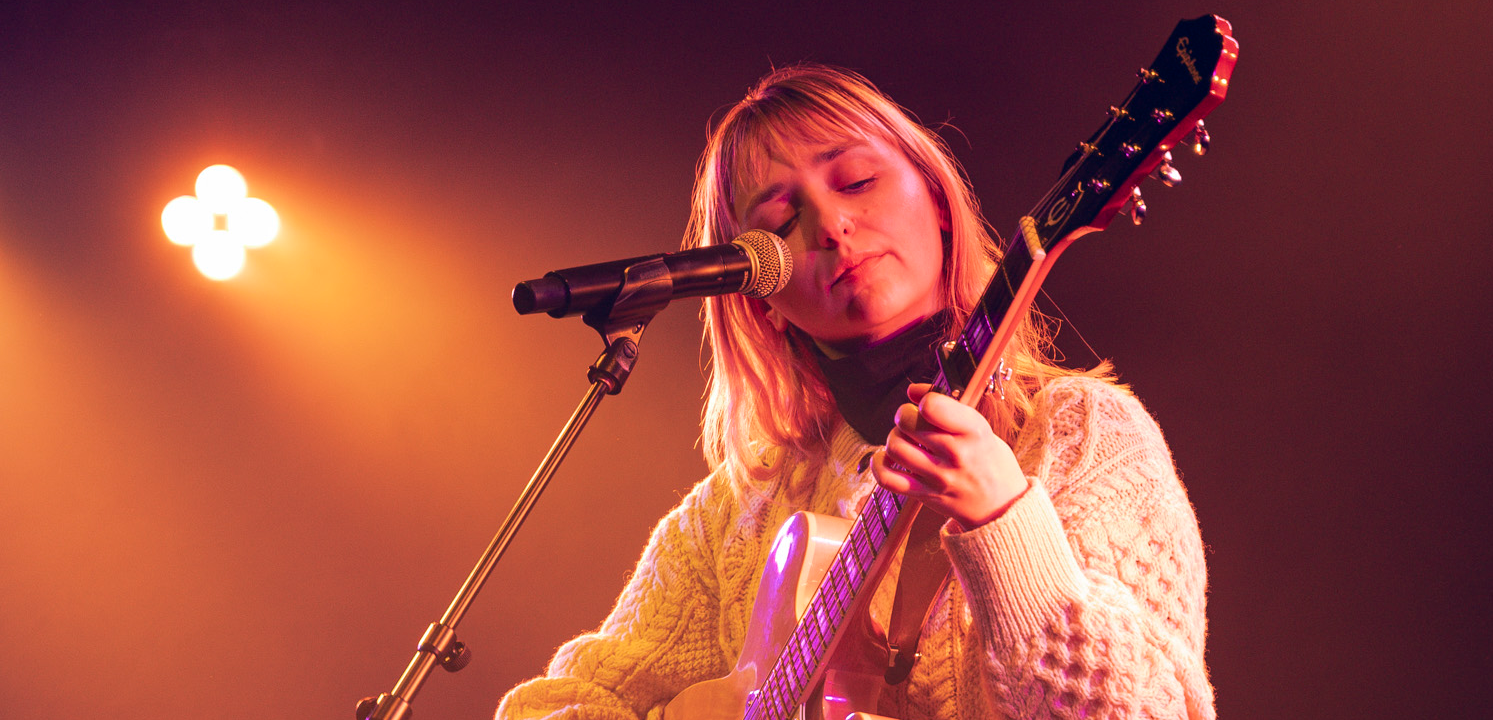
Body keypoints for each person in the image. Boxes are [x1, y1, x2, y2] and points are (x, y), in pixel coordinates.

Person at [496, 64, 1212, 720]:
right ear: (760, 295)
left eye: (858, 181)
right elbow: (558, 706)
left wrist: (1006, 521)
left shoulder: (1085, 439)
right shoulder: (731, 517)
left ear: (936, 198)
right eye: (780, 225)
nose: (832, 226)